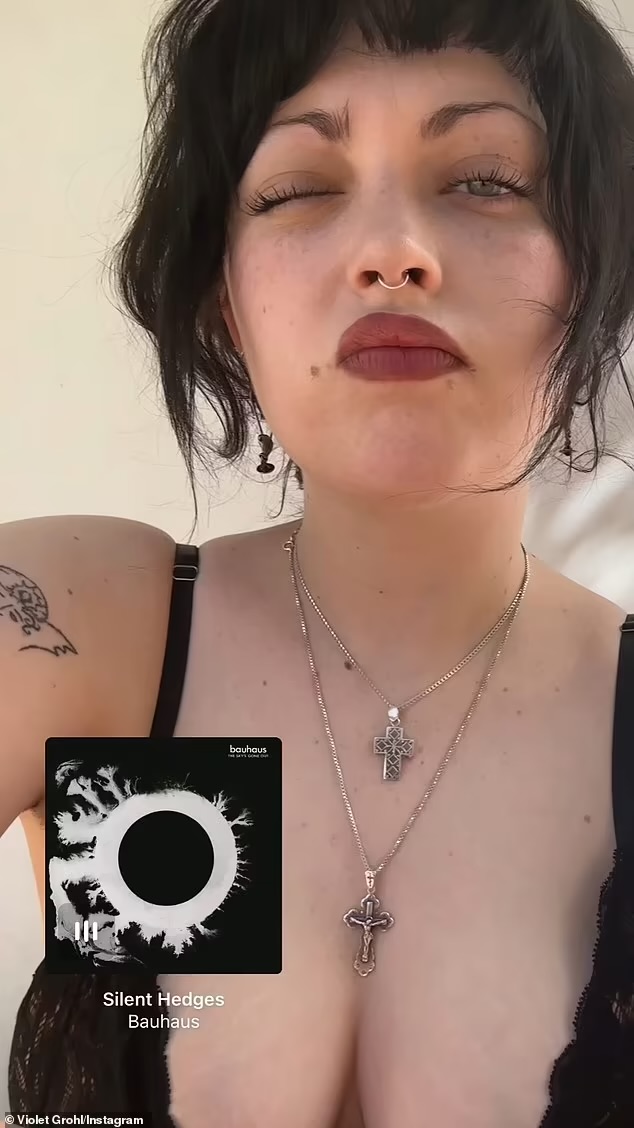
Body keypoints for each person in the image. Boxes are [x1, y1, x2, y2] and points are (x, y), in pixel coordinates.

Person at [4, 0, 634, 1123]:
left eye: (485, 180)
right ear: (221, 301)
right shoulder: (94, 633)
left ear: (597, 273)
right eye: (298, 190)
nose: (393, 253)